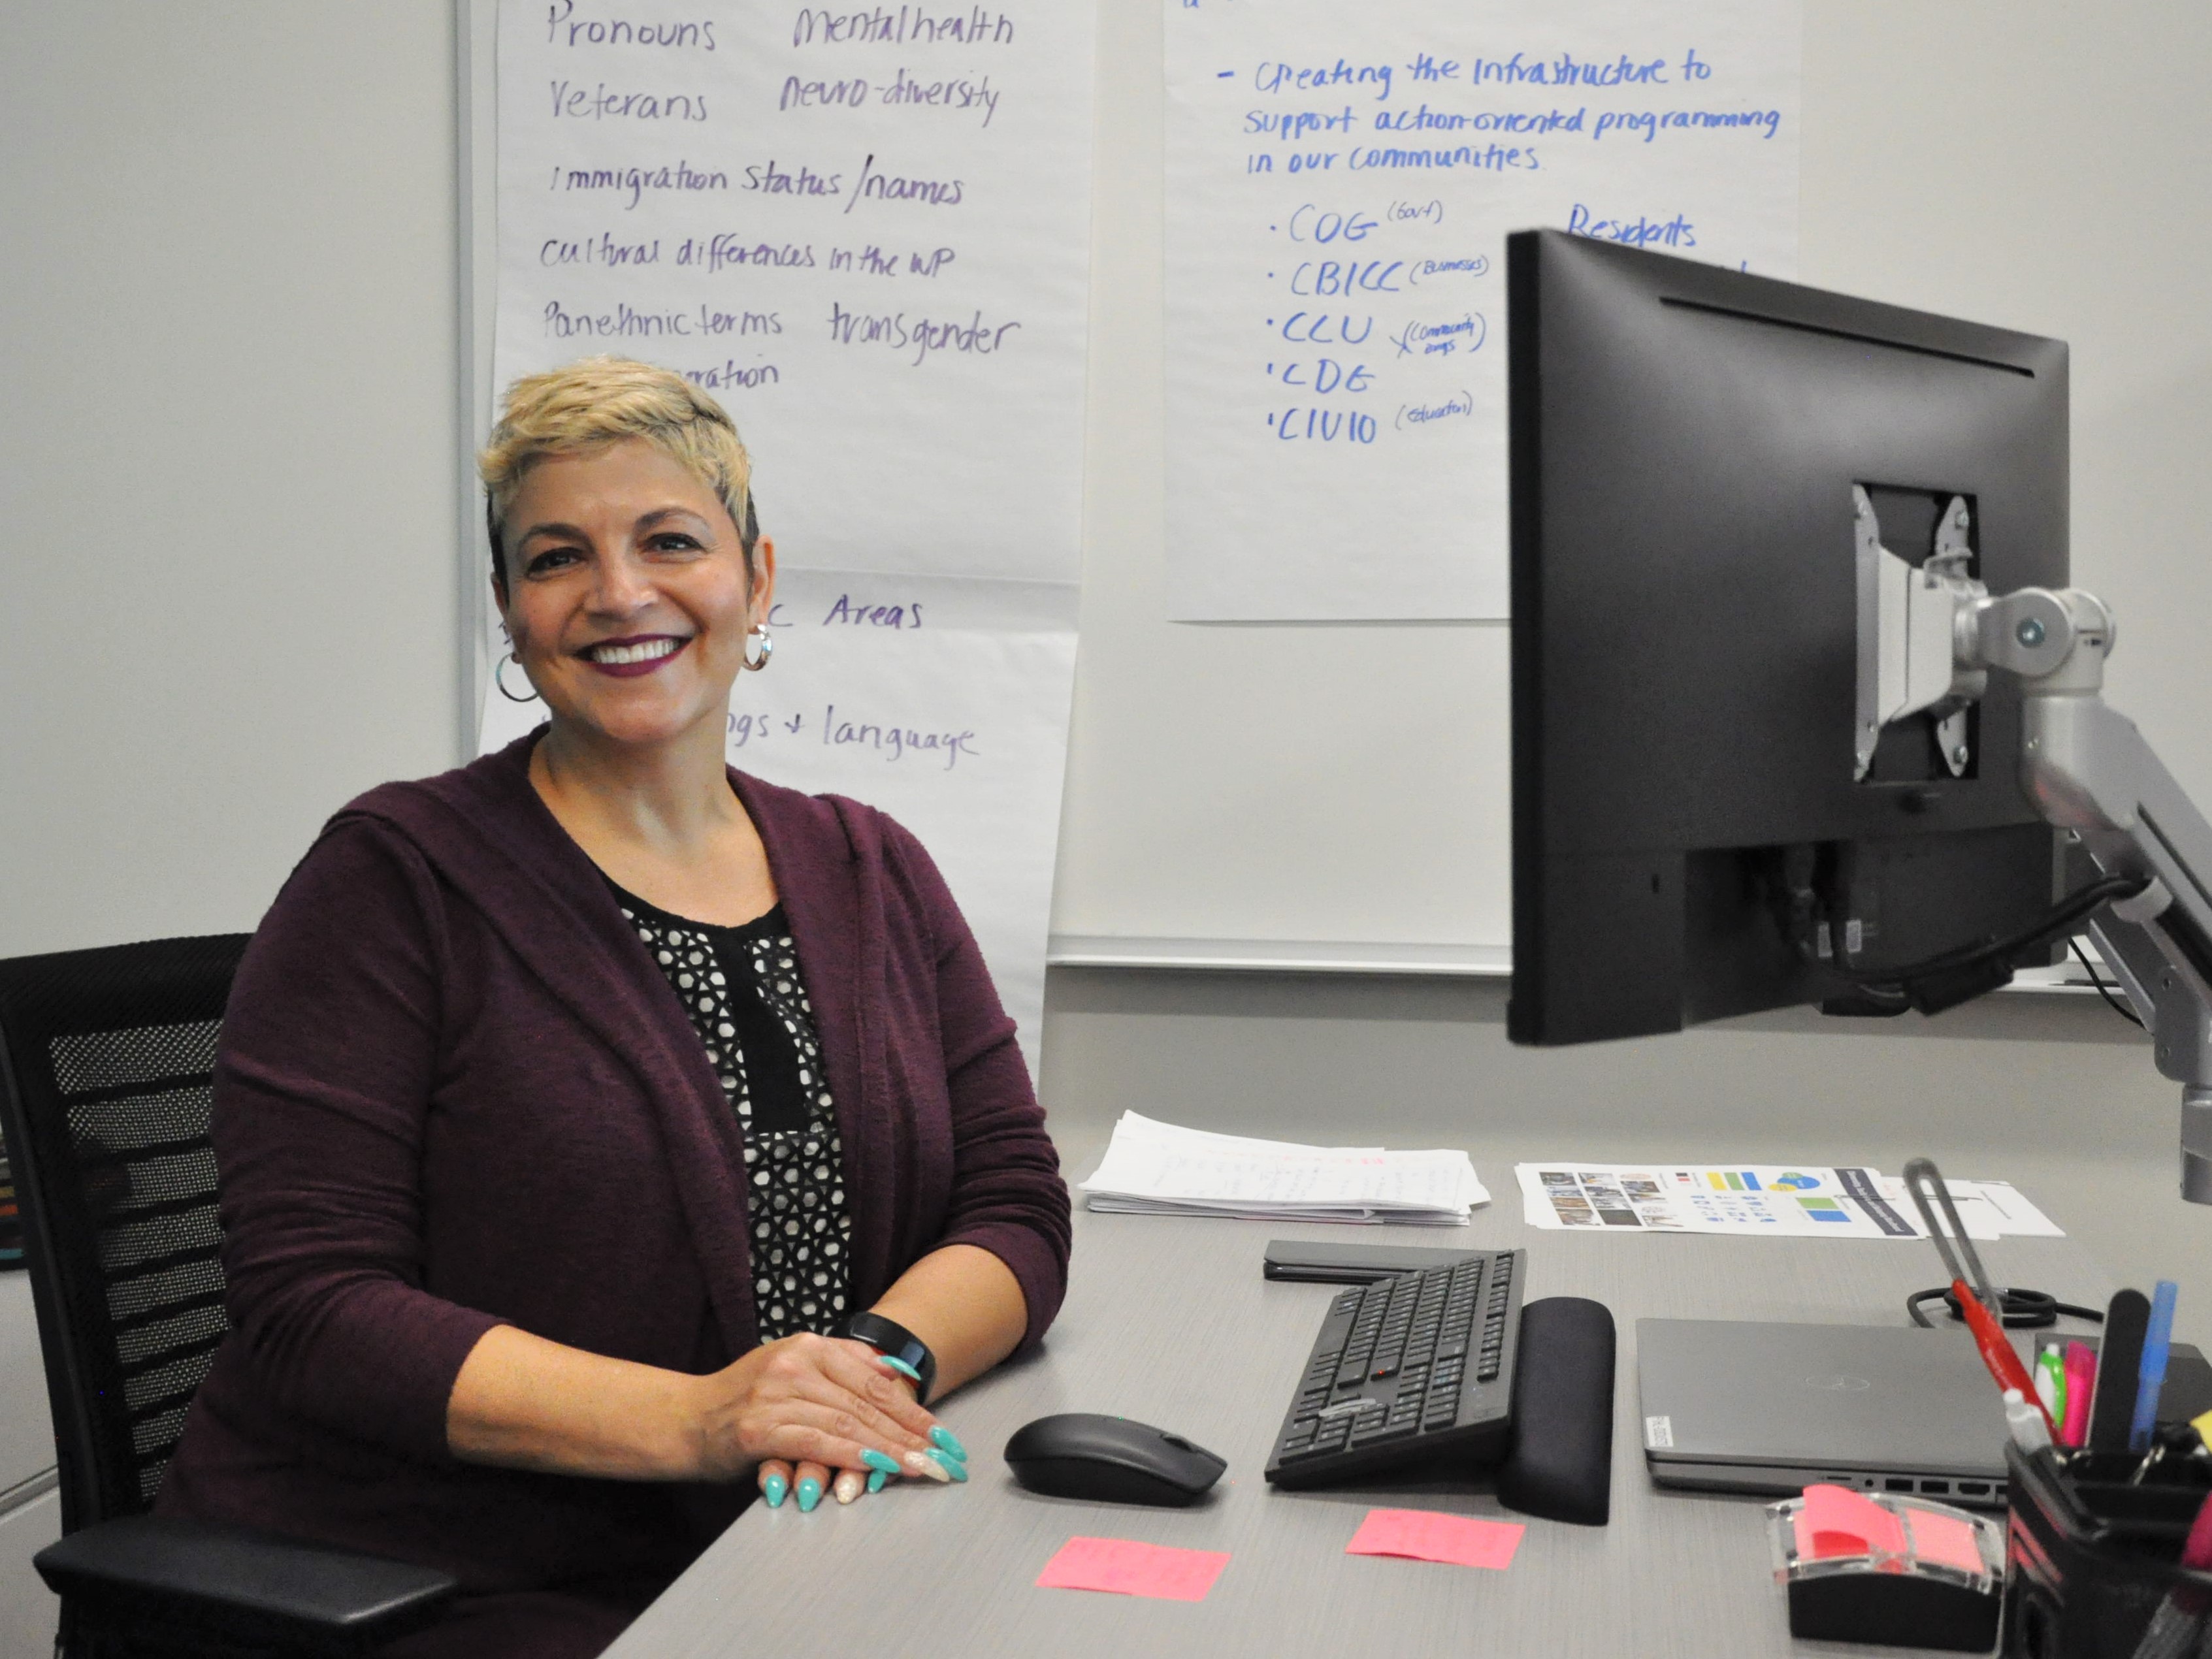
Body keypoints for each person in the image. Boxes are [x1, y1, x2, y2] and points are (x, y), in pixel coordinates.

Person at [156, 357, 1072, 1656]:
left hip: (792, 1537)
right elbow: (315, 1302)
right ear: (508, 611)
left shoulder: (871, 867)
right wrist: (705, 1419)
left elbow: (1013, 1199)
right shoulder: (394, 878)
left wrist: (866, 1370)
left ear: (757, 579)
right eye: (556, 557)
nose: (620, 593)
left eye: (669, 540)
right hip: (438, 1576)